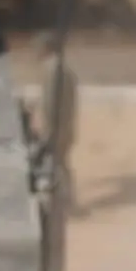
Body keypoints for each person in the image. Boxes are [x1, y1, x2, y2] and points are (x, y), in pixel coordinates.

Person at [34, 30, 79, 215]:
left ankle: (68, 204)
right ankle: (69, 202)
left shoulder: (53, 70)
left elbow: (51, 104)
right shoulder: (65, 70)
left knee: (57, 165)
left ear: (47, 48)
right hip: (65, 127)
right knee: (61, 164)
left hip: (56, 128)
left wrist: (49, 131)